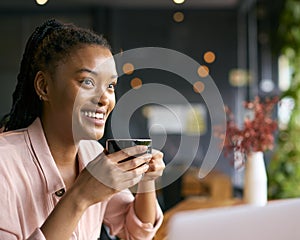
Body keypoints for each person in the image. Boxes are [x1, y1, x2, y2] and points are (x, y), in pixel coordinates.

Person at [0, 18, 165, 240]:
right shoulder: (4, 161)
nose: (104, 98)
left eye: (110, 86)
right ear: (44, 86)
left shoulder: (92, 153)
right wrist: (80, 197)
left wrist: (147, 180)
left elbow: (135, 233)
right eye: (87, 82)